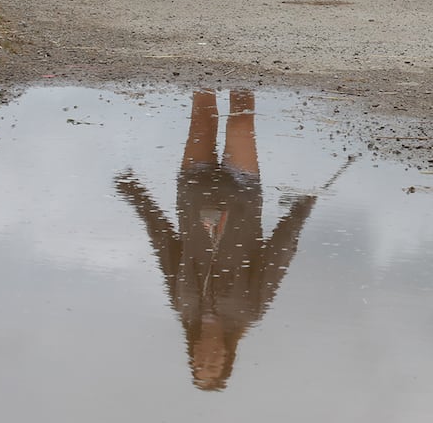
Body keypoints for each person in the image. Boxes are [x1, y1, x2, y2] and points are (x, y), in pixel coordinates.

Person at [114, 89, 318, 391]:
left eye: (198, 366)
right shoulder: (249, 310)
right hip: (242, 193)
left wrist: (137, 196)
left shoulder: (183, 306)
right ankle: (245, 57)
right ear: (227, 358)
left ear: (192, 355)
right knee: (241, 121)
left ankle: (211, 50)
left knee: (201, 118)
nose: (204, 360)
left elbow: (164, 243)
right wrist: (299, 212)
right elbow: (279, 256)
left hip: (193, 190)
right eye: (212, 366)